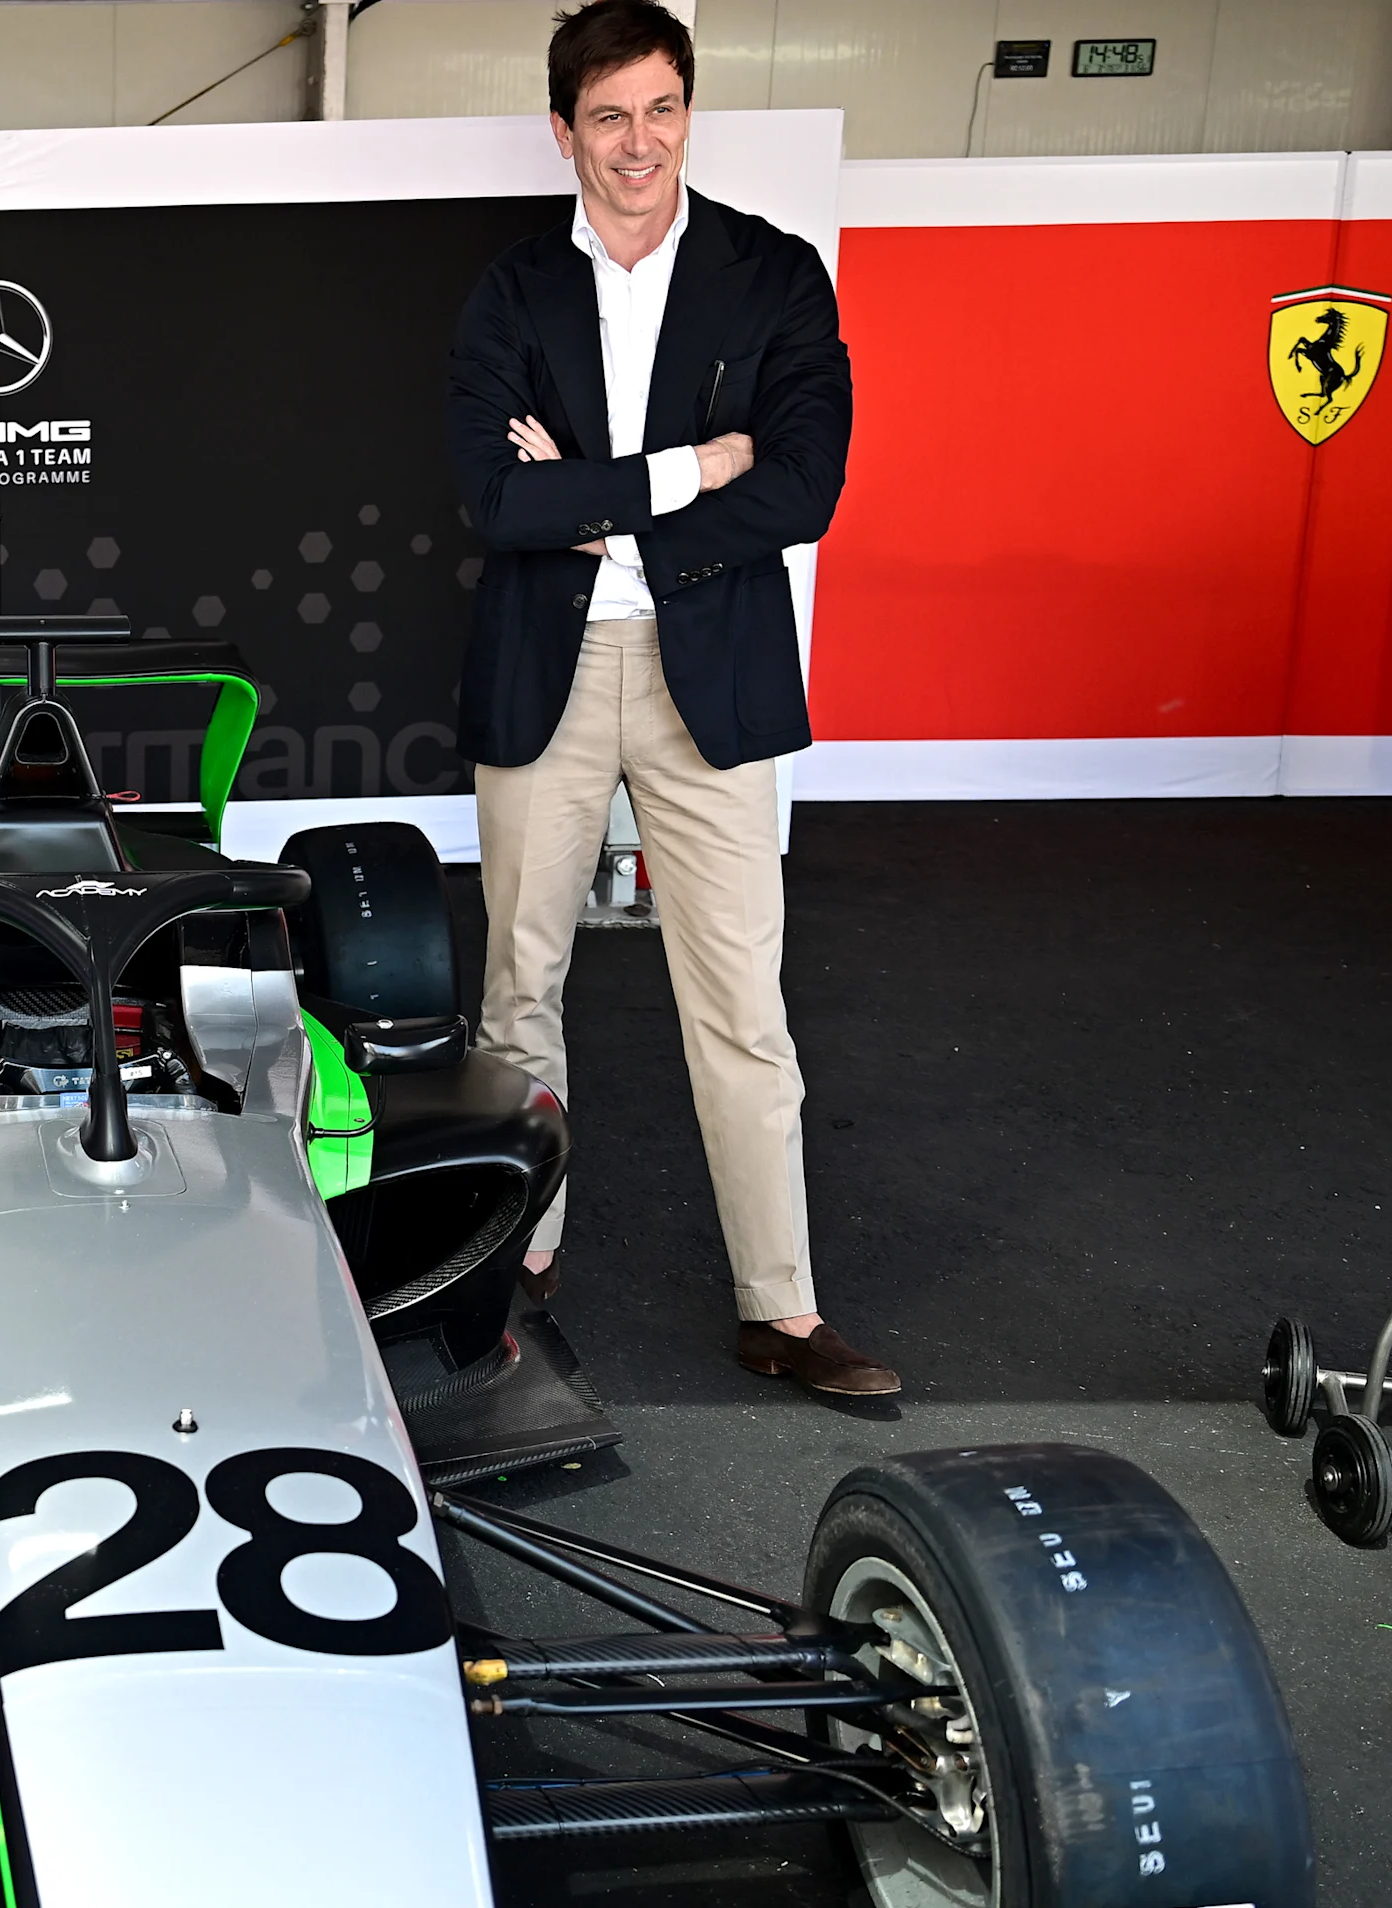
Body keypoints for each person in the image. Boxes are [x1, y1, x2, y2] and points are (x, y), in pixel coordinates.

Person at [442, 0, 892, 1396]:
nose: (637, 142)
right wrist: (693, 468)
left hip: (713, 673)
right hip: (550, 672)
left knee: (743, 1003)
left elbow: (804, 485)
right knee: (519, 988)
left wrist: (602, 507)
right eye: (608, 116)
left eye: (660, 109)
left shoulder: (774, 276)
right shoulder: (512, 291)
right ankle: (520, 1255)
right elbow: (497, 501)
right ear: (563, 130)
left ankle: (783, 1310)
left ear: (688, 115)